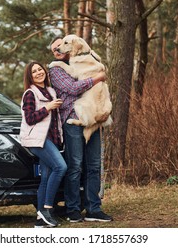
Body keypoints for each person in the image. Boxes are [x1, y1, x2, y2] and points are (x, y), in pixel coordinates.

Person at [48, 37, 113, 222]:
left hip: (93, 119)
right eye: (55, 49)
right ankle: (73, 210)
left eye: (61, 45)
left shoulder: (84, 60)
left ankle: (94, 209)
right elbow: (73, 88)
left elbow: (100, 87)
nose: (59, 49)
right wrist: (97, 77)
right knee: (75, 167)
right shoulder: (56, 70)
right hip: (72, 121)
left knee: (93, 166)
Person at [20, 61, 67, 228]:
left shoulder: (50, 91)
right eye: (34, 71)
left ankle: (41, 220)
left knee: (46, 177)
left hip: (50, 140)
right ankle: (47, 209)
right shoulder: (30, 94)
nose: (39, 72)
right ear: (30, 76)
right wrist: (47, 107)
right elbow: (30, 119)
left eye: (40, 69)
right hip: (37, 141)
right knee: (61, 167)